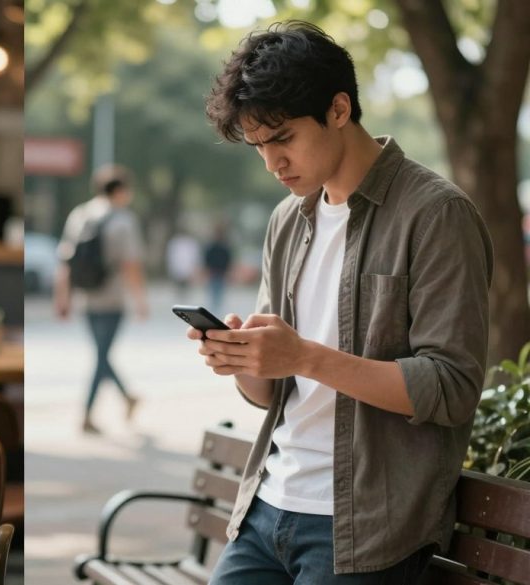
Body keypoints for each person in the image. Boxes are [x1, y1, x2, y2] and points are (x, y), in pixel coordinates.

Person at [189, 22, 492, 584]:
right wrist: (243, 360)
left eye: (281, 138)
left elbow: (450, 388)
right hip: (267, 506)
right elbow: (272, 395)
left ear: (338, 109)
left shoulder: (435, 215)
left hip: (363, 527)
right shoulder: (288, 220)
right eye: (258, 147)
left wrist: (304, 356)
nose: (272, 164)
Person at [54, 165, 148, 434]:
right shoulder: (123, 220)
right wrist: (141, 301)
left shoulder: (79, 215)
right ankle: (87, 415)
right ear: (119, 191)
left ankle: (127, 398)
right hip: (112, 300)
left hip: (85, 298)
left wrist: (63, 298)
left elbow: (66, 262)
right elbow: (131, 266)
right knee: (102, 356)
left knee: (101, 354)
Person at [202, 221, 233, 315]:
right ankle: (214, 308)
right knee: (214, 290)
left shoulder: (223, 246)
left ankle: (216, 308)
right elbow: (207, 259)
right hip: (214, 272)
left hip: (220, 272)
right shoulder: (213, 246)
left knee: (218, 291)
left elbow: (228, 259)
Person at [165, 227, 201, 299]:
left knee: (186, 288)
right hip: (178, 269)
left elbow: (194, 256)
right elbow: (171, 257)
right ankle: (180, 299)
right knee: (179, 287)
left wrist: (194, 269)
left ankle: (185, 299)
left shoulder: (190, 242)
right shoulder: (174, 242)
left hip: (187, 269)